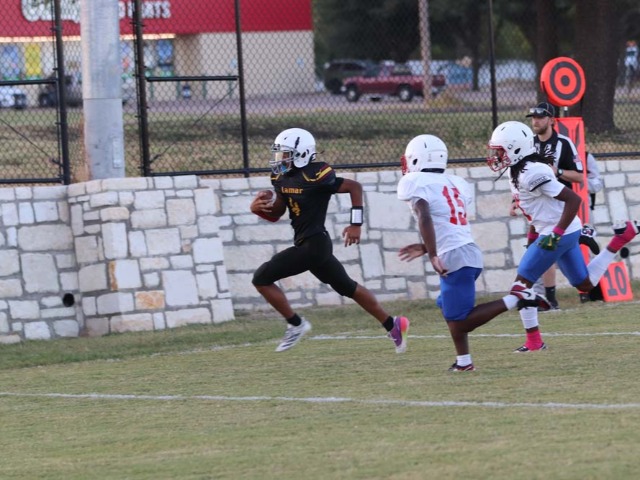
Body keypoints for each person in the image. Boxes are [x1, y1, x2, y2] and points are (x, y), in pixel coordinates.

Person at [250, 127, 409, 353]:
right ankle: (393, 325)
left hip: (314, 244)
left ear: (302, 153)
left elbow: (354, 187)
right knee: (348, 287)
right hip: (309, 244)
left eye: (285, 154)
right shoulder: (280, 176)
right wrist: (258, 207)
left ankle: (296, 324)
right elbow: (278, 212)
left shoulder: (315, 174)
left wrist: (356, 224)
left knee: (261, 278)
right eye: (280, 153)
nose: (280, 158)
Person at [396, 134, 547, 372]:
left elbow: (425, 215)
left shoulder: (414, 182)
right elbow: (447, 222)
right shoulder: (456, 182)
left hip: (454, 256)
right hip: (467, 252)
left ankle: (518, 297)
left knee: (460, 321)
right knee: (449, 309)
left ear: (417, 159)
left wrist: (432, 253)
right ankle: (464, 362)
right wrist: (426, 247)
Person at [487, 121, 638, 352]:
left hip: (557, 232)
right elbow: (540, 210)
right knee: (585, 284)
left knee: (521, 284)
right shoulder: (518, 169)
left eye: (499, 150)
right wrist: (536, 235)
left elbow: (573, 199)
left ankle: (534, 342)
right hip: (561, 229)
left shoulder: (531, 173)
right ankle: (621, 237)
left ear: (515, 148)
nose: (496, 156)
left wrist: (556, 234)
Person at [525, 101, 584, 310]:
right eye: (533, 117)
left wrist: (557, 171)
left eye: (540, 117)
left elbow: (579, 177)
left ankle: (550, 297)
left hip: (559, 208)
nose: (536, 121)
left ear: (552, 120)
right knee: (541, 250)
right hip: (538, 207)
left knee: (549, 250)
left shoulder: (564, 143)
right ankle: (547, 298)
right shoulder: (527, 144)